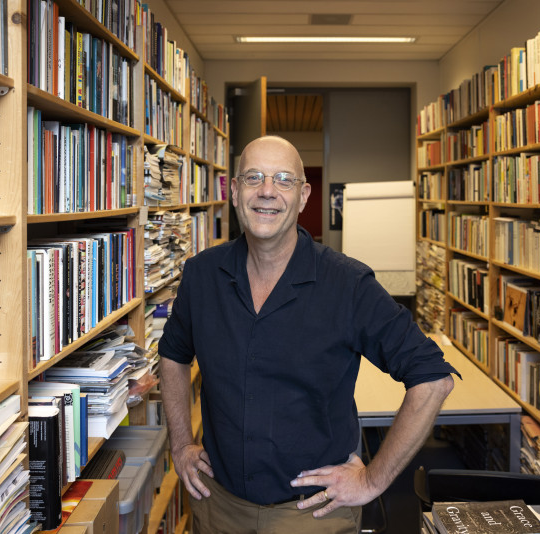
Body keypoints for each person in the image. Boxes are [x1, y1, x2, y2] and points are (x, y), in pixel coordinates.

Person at [159, 135, 457, 533]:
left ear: (303, 196)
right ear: (234, 191)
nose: (267, 191)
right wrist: (180, 444)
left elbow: (433, 380)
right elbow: (173, 354)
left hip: (313, 514)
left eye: (284, 179)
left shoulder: (348, 284)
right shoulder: (201, 276)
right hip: (218, 507)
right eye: (253, 177)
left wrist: (372, 481)